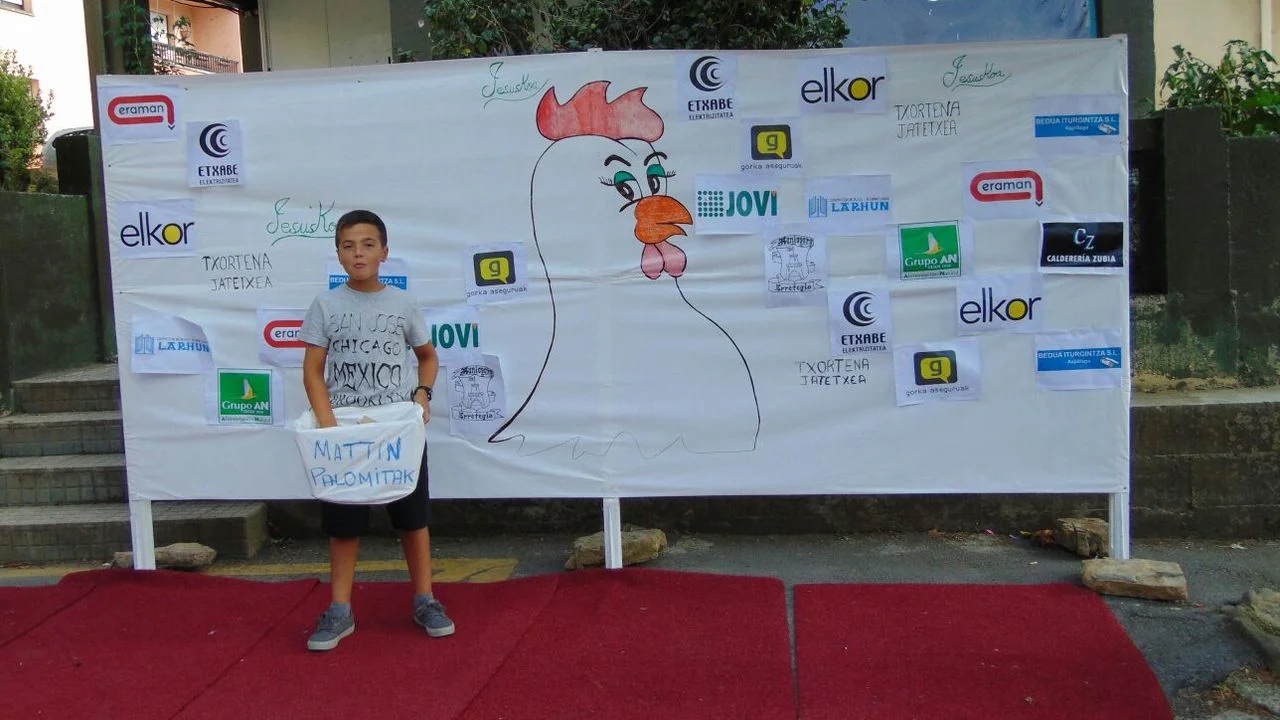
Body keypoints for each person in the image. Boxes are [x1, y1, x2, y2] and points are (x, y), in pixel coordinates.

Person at [297, 209, 455, 651]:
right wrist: (329, 427)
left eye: (368, 245)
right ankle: (340, 609)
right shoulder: (325, 305)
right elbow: (312, 370)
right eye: (348, 246)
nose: (358, 253)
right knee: (344, 524)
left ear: (385, 252)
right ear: (338, 254)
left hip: (398, 432)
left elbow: (428, 356)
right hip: (344, 430)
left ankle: (425, 600)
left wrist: (422, 395)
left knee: (413, 518)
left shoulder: (403, 304)